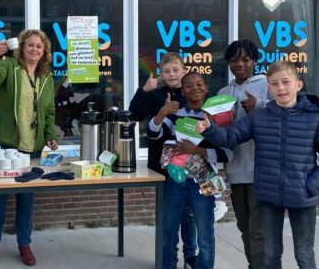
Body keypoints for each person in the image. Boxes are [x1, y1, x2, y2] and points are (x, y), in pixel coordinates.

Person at [197, 61, 319, 269]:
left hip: (302, 196)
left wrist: (312, 185)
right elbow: (230, 137)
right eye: (274, 84)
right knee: (270, 253)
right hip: (268, 195)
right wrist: (210, 129)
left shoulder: (314, 117)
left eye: (285, 82)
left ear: (298, 85)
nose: (280, 88)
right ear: (268, 88)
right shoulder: (259, 117)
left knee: (304, 254)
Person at [0, 29, 58, 266]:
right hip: (4, 143)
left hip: (31, 148)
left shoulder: (47, 77)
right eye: (30, 45)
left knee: (26, 199)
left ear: (44, 52)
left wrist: (50, 135)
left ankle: (24, 244)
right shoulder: (10, 66)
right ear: (22, 47)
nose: (34, 49)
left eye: (39, 46)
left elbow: (49, 112)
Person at [147, 72, 233, 269]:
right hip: (175, 180)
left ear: (206, 88)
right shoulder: (176, 114)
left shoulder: (215, 118)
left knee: (205, 235)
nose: (195, 88)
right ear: (183, 90)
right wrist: (162, 112)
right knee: (168, 232)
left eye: (199, 84)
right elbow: (153, 133)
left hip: (202, 182)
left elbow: (228, 153)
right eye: (189, 86)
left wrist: (195, 150)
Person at [129, 52, 198, 268]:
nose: (172, 75)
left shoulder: (192, 91)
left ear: (184, 70)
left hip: (189, 161)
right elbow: (134, 115)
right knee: (168, 217)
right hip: (163, 163)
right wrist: (144, 91)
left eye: (176, 70)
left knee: (189, 213)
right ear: (161, 73)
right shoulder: (154, 93)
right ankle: (168, 261)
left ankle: (191, 256)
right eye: (167, 71)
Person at [218, 39, 268, 269]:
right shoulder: (223, 92)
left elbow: (287, 110)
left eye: (245, 59)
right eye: (234, 60)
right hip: (236, 170)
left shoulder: (266, 86)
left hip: (261, 171)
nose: (240, 64)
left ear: (255, 61)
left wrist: (260, 105)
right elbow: (220, 135)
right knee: (245, 227)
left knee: (259, 231)